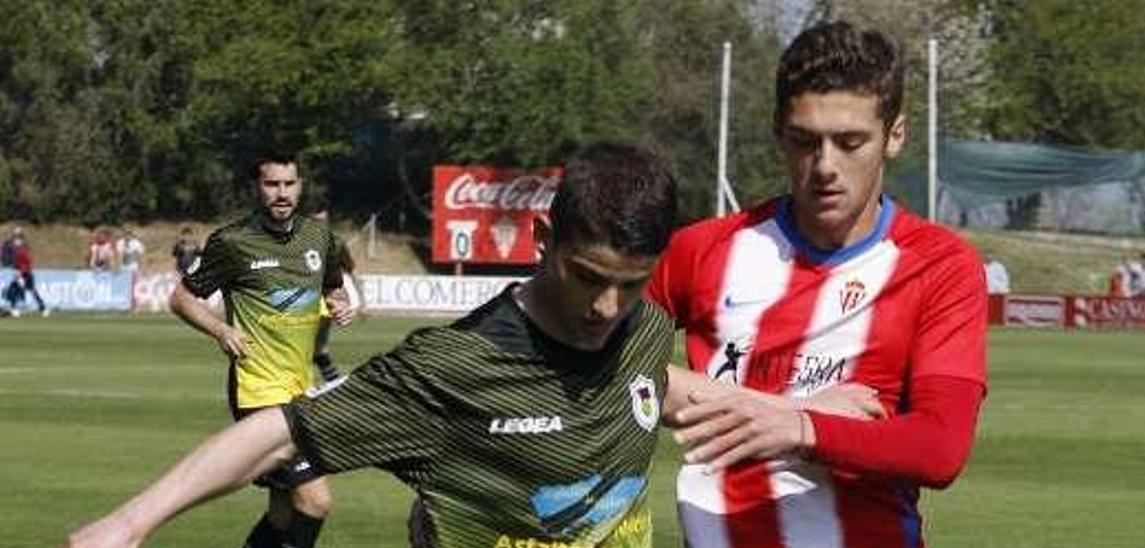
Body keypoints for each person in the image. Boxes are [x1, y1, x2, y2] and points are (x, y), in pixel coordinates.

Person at [67, 142, 685, 548]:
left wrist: (779, 421)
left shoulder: (648, 326)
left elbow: (657, 382)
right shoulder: (451, 368)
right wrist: (128, 523)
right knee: (305, 501)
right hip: (268, 383)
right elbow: (280, 432)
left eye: (629, 284)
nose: (607, 306)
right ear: (545, 240)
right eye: (589, 277)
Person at [648, 21, 988, 547]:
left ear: (895, 135)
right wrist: (781, 409)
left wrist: (800, 429)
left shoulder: (941, 266)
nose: (825, 166)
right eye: (805, 142)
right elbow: (603, 363)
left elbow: (940, 447)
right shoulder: (703, 249)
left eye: (850, 142)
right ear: (779, 134)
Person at [161, 150, 355, 548]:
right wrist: (219, 330)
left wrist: (338, 303)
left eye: (288, 184)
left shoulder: (319, 237)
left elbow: (332, 285)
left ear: (300, 187)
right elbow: (181, 298)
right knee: (316, 501)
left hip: (301, 389)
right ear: (256, 189)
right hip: (258, 390)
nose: (281, 193)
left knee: (282, 513)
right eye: (271, 184)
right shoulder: (233, 242)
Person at [308, 199, 357, 383]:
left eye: (322, 222)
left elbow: (352, 271)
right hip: (301, 299)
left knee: (317, 348)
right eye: (315, 222)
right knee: (316, 350)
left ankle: (333, 386)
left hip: (325, 300)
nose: (318, 226)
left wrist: (362, 300)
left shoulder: (337, 243)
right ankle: (334, 386)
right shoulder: (295, 243)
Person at [4, 229, 49, 317]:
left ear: (21, 240)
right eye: (14, 239)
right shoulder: (16, 251)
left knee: (31, 291)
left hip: (26, 274)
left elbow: (28, 263)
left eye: (17, 239)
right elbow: (16, 264)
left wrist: (21, 273)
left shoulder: (23, 251)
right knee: (14, 289)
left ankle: (43, 308)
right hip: (21, 274)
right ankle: (14, 309)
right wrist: (15, 268)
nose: (15, 241)